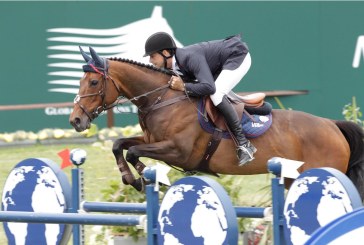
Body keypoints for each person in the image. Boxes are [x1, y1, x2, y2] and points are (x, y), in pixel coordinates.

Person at [143, 32, 256, 166]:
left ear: (166, 53)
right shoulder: (173, 65)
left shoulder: (189, 58)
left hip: (237, 55)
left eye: (152, 56)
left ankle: (244, 144)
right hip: (220, 63)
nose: (150, 61)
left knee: (217, 94)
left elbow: (208, 88)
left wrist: (183, 86)